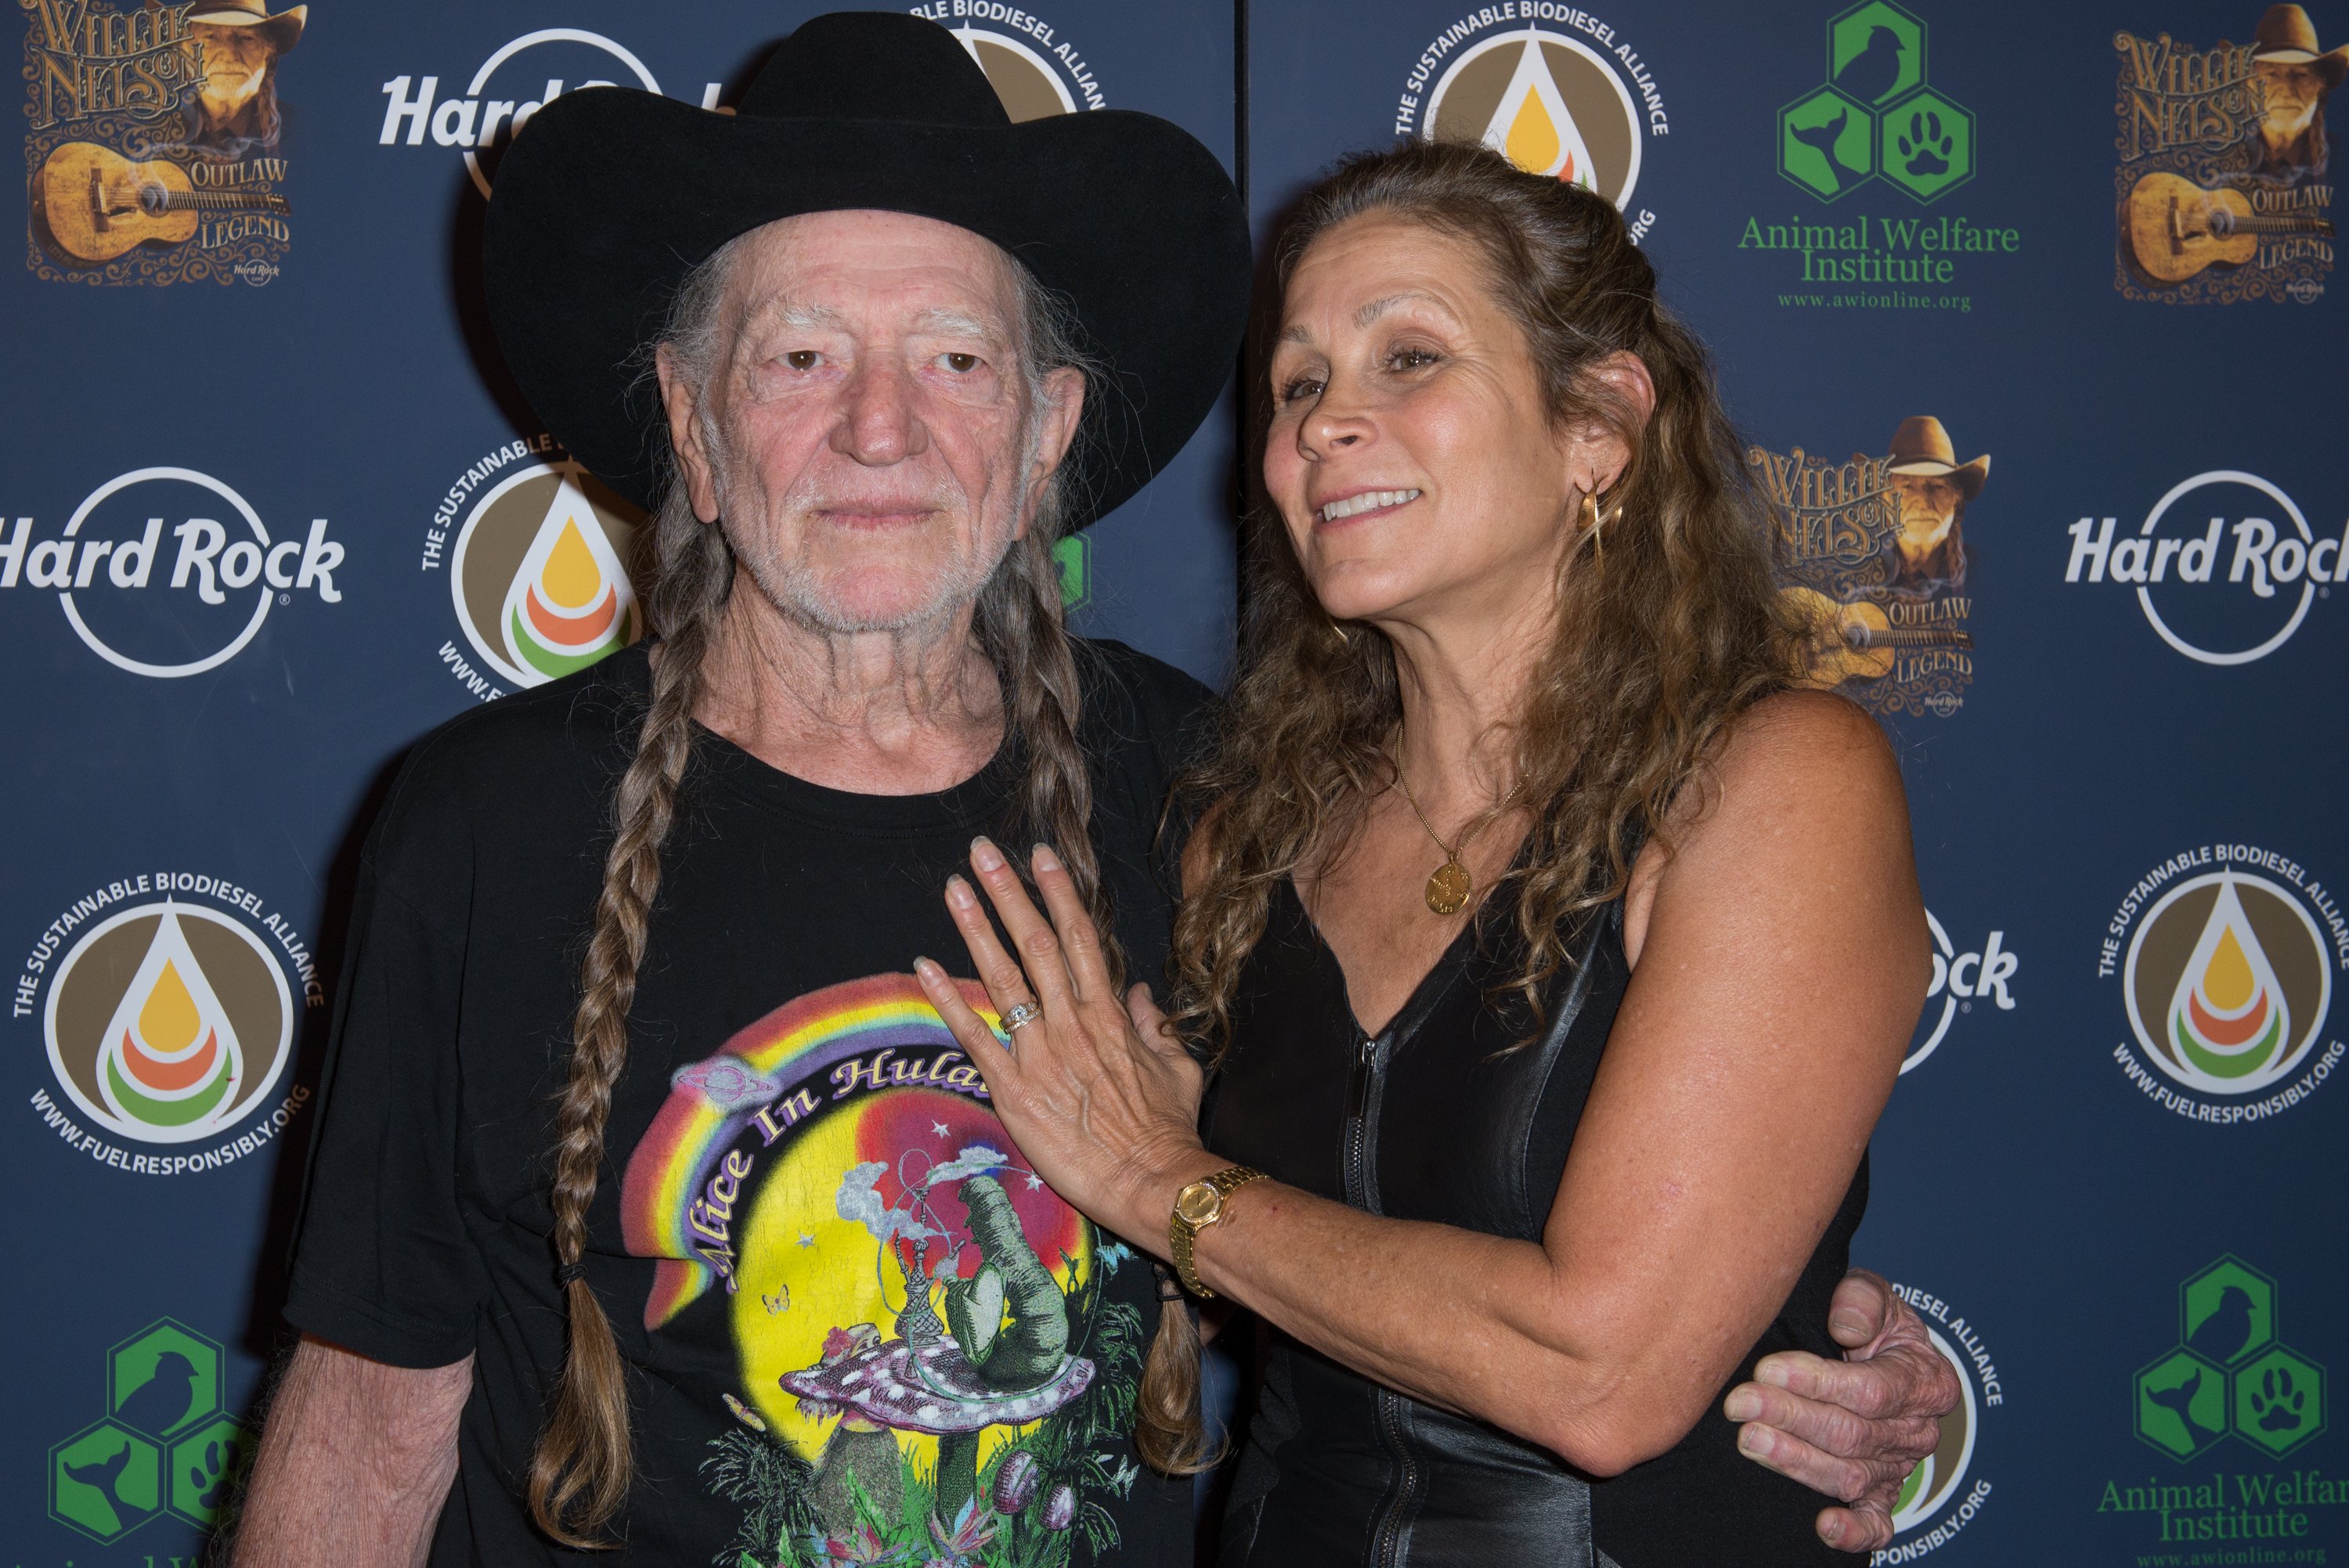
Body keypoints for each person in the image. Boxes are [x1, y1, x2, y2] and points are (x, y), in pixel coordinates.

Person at [233, 17, 1947, 1564]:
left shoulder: (1197, 790)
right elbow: (373, 1412)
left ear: (1049, 425)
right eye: (802, 356)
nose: (885, 429)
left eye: (959, 362)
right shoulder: (490, 825)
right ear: (692, 422)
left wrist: (1802, 1337)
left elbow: (1469, 1253)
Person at [915, 141, 1941, 1566]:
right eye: (1299, 385)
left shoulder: (1775, 783)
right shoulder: (1242, 837)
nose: (1329, 421)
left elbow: (1606, 1376)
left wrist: (1165, 1178)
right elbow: (1268, 1278)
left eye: (1409, 358)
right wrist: (1151, 1202)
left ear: (1599, 425)